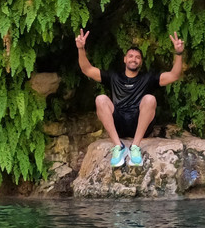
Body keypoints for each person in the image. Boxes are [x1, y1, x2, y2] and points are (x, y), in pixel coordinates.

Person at [76, 29, 184, 167]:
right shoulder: (114, 76)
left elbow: (174, 75)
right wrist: (81, 49)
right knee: (100, 99)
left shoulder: (147, 78)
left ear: (141, 62)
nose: (134, 59)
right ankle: (118, 146)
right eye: (131, 56)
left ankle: (135, 147)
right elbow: (87, 69)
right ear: (125, 59)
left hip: (140, 125)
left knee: (150, 99)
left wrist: (179, 53)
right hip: (118, 124)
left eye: (137, 57)